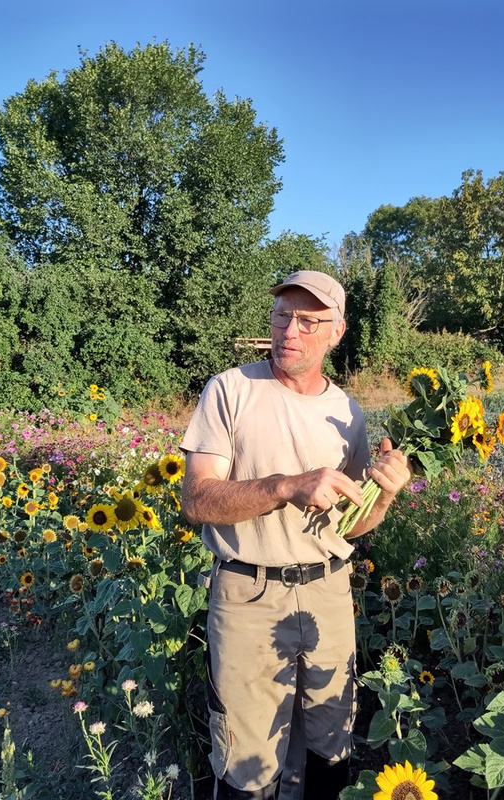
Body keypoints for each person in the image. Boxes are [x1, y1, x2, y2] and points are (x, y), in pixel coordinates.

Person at [180, 270, 412, 800]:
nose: (290, 331)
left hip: (329, 592)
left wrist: (385, 495)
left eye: (309, 322)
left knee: (331, 742)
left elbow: (353, 524)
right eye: (282, 316)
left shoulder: (348, 412)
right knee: (247, 760)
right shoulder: (230, 390)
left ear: (337, 333)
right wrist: (286, 486)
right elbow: (197, 500)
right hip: (249, 594)